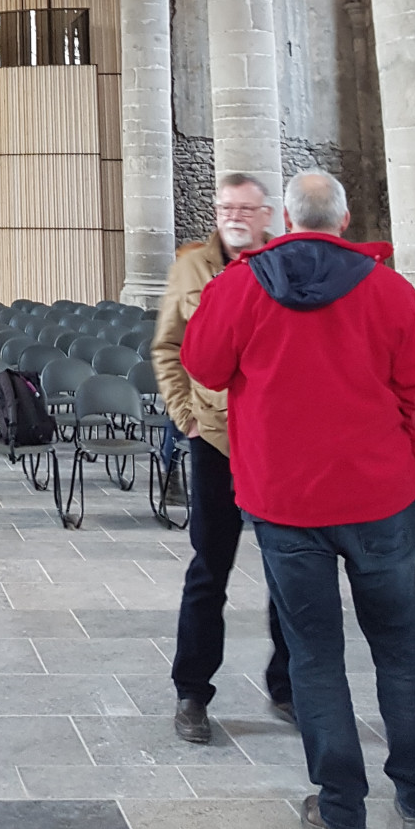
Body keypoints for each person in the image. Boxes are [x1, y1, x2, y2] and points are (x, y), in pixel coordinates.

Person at [183, 170, 415, 829]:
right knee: (401, 647)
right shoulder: (389, 288)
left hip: (286, 499)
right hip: (379, 497)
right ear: (345, 216)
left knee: (315, 656)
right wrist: (413, 472)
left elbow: (205, 365)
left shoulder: (241, 283)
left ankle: (343, 814)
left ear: (285, 219)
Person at [152, 172, 292, 743]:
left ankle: (289, 687)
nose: (234, 215)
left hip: (279, 441)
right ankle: (192, 693)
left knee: (289, 569)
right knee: (209, 570)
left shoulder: (287, 264)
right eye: (225, 206)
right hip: (213, 437)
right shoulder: (191, 267)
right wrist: (185, 414)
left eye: (246, 207)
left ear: (267, 215)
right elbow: (167, 345)